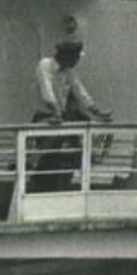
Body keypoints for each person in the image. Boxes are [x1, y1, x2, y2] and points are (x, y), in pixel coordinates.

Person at [32, 41, 113, 193]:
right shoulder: (45, 65)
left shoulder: (67, 71)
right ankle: (39, 184)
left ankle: (51, 188)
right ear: (68, 57)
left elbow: (79, 91)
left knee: (60, 157)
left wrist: (97, 112)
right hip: (44, 117)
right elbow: (46, 89)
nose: (78, 61)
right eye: (76, 58)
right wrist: (55, 111)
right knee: (48, 155)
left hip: (59, 119)